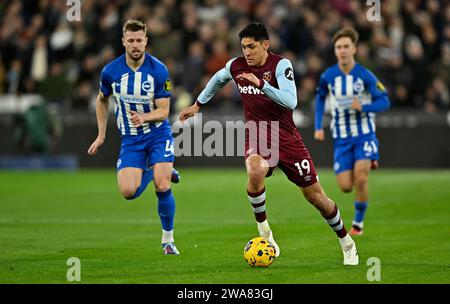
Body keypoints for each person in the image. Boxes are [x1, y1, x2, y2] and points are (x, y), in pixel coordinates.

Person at [180, 22, 358, 265]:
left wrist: (261, 84)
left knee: (316, 198)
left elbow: (291, 101)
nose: (247, 52)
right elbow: (219, 78)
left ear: (265, 44)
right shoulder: (237, 65)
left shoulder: (280, 65)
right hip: (257, 134)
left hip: (286, 139)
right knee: (254, 171)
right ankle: (265, 232)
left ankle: (346, 242)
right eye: (243, 47)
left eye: (251, 47)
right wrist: (197, 104)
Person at [87, 20, 181, 255]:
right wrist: (101, 135)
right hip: (131, 139)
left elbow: (164, 111)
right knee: (128, 192)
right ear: (123, 42)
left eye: (139, 40)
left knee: (163, 185)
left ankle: (168, 240)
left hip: (158, 134)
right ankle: (155, 172)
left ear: (146, 41)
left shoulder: (159, 70)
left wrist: (144, 117)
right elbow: (101, 99)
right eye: (131, 40)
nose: (135, 45)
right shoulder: (111, 71)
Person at [314, 27, 390, 236]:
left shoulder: (365, 75)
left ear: (354, 48)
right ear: (335, 50)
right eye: (339, 47)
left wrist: (363, 107)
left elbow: (384, 100)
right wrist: (318, 126)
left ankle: (358, 223)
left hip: (364, 134)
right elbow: (320, 98)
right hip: (341, 138)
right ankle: (367, 161)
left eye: (346, 46)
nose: (342, 50)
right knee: (346, 186)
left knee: (361, 179)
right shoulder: (328, 76)